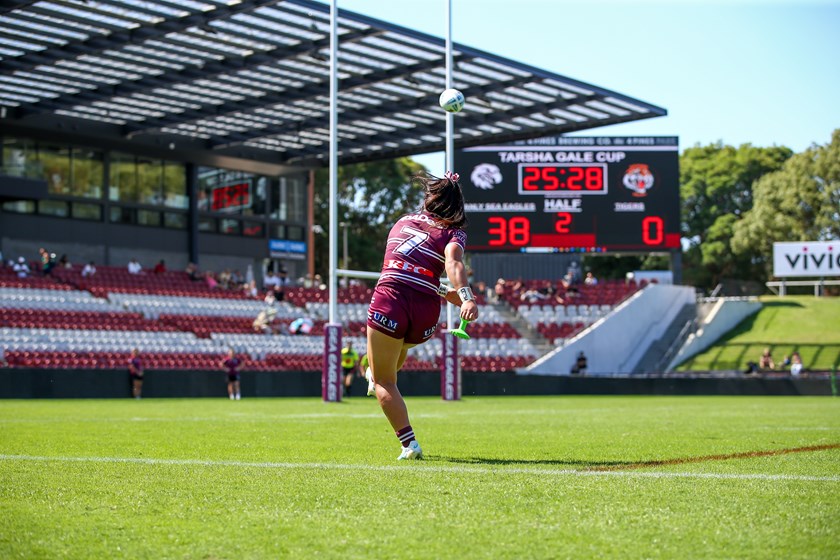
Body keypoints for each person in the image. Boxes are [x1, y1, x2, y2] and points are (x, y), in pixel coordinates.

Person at [365, 171, 479, 461]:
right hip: (427, 311)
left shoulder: (403, 221)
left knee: (383, 381)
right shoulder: (455, 232)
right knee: (399, 348)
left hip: (391, 299)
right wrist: (463, 295)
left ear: (430, 200)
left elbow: (403, 268)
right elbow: (452, 262)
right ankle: (377, 369)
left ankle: (409, 443)